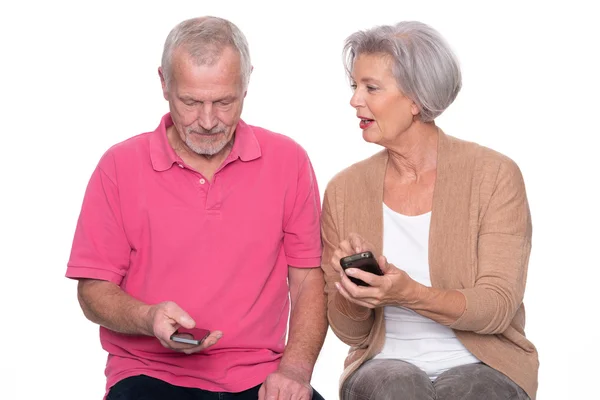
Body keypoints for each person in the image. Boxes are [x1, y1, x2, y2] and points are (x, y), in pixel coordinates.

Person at [66, 16, 327, 400]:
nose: (207, 121)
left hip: (262, 374)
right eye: (190, 102)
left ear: (247, 82)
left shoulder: (289, 161)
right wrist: (148, 317)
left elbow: (307, 281)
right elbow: (93, 290)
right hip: (149, 374)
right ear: (163, 83)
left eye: (224, 101)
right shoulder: (119, 167)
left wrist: (294, 370)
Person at [321, 21, 538, 400]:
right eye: (354, 86)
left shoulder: (494, 175)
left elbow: (497, 307)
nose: (355, 100)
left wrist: (409, 293)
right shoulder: (344, 190)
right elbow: (349, 333)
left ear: (415, 99)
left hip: (486, 364)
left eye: (371, 87)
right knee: (397, 389)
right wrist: (351, 294)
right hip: (382, 364)